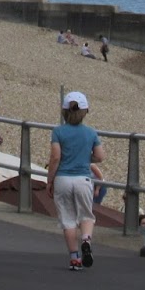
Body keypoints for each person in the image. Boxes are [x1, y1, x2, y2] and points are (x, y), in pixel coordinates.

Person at [47, 90, 104, 272]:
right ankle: (86, 239)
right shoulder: (90, 133)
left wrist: (50, 180)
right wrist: (85, 158)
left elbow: (55, 157)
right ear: (85, 112)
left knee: (68, 219)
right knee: (86, 215)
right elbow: (100, 156)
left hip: (63, 179)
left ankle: (74, 258)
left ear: (64, 111)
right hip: (83, 178)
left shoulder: (58, 132)